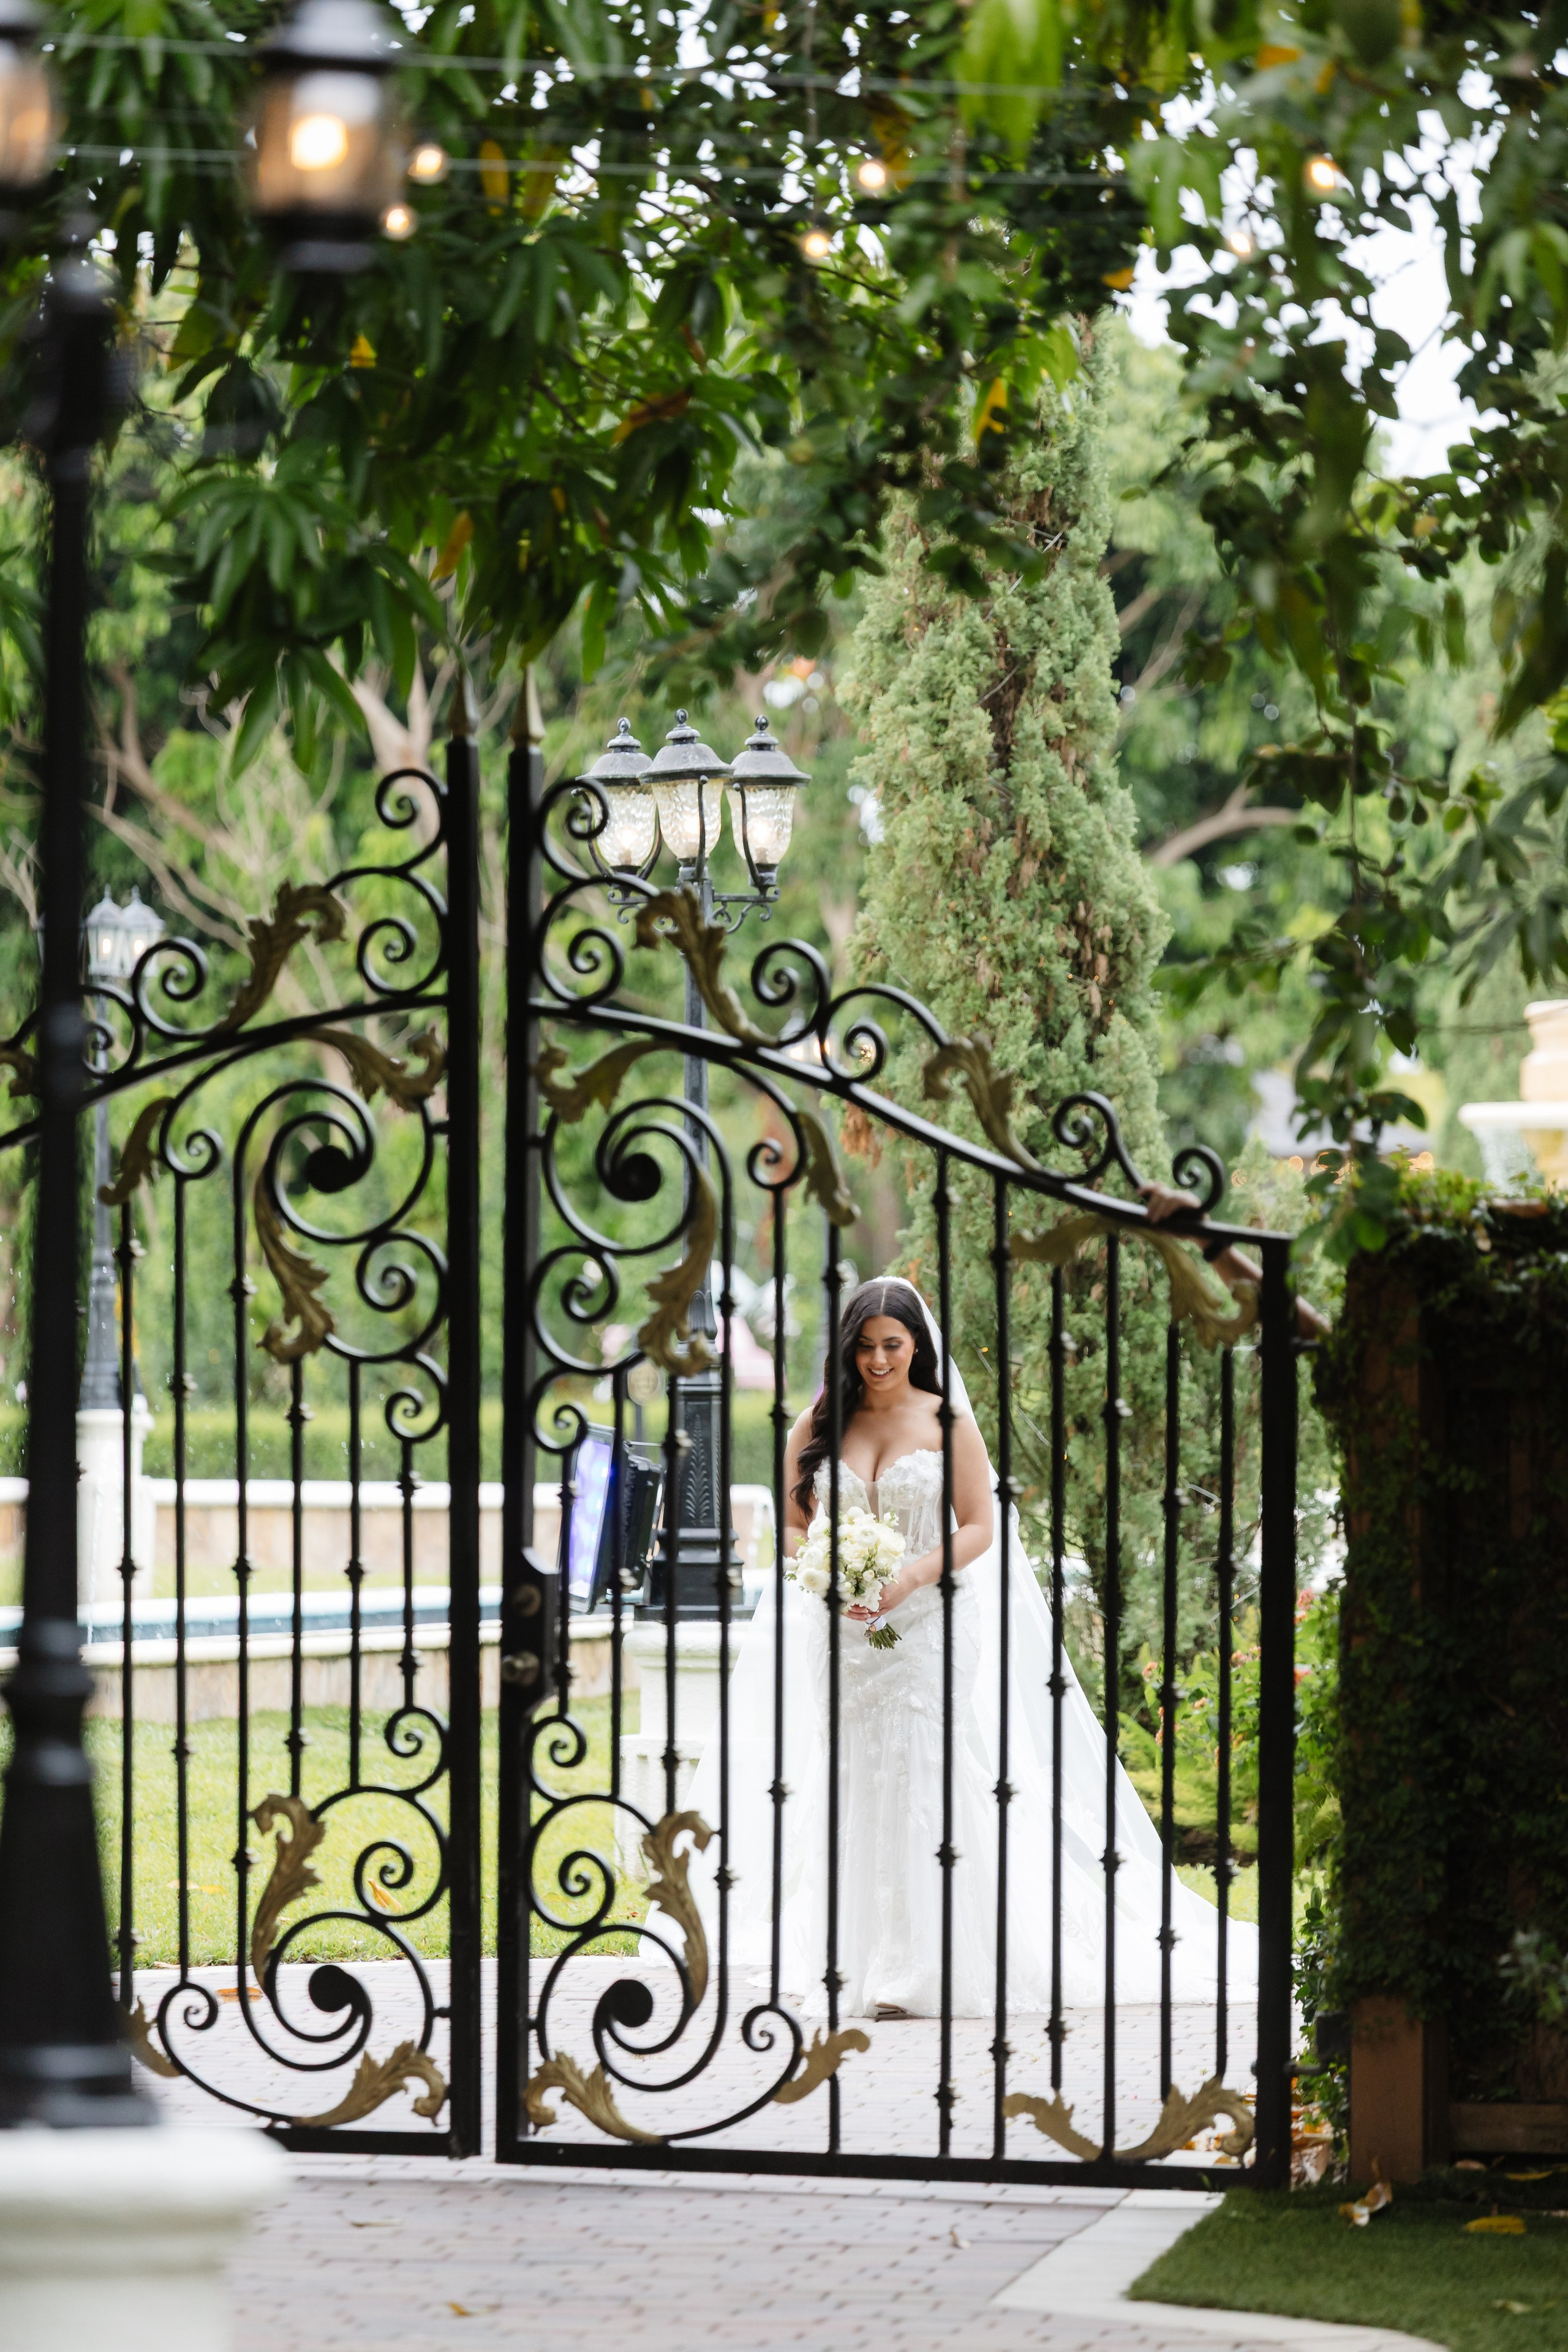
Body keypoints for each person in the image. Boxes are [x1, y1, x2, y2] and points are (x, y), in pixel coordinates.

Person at [687, 1274, 1257, 2022]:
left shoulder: (946, 1422)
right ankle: (858, 1954)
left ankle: (927, 1964)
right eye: (864, 1347)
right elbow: (793, 1528)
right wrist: (824, 1570)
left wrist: (907, 1579)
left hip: (926, 1627)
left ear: (916, 1345)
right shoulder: (816, 1427)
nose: (878, 1361)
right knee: (857, 1776)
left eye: (891, 1345)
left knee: (925, 1771)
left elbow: (979, 1528)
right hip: (845, 1634)